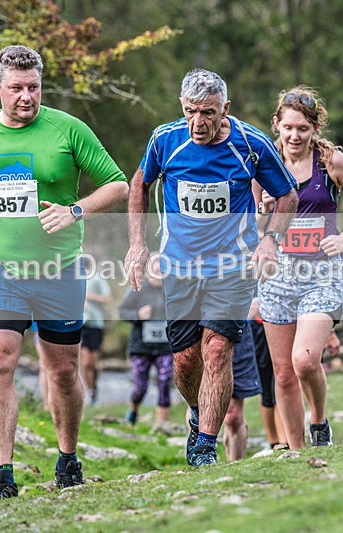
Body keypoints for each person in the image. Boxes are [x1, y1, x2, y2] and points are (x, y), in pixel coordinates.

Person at [0, 45, 128, 502]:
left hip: (58, 270)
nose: (27, 96)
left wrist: (75, 210)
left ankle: (67, 458)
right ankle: (2, 473)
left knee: (61, 369)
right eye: (17, 88)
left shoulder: (67, 128)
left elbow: (118, 184)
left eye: (34, 87)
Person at [124, 69, 298, 467]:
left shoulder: (250, 144)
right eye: (190, 112)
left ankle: (205, 446)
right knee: (185, 360)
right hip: (179, 267)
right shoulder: (164, 139)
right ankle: (200, 413)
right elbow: (139, 183)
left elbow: (287, 194)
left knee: (217, 351)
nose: (198, 123)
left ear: (226, 109)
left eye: (208, 113)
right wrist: (137, 244)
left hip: (232, 265)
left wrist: (271, 240)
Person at [255, 86, 343, 449]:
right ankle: (296, 452)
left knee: (305, 361)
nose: (295, 136)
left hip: (322, 274)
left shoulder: (332, 162)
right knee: (282, 373)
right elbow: (249, 219)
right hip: (277, 275)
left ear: (315, 129)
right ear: (276, 124)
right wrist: (261, 214)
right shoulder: (261, 163)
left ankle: (320, 423)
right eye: (288, 127)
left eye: (303, 129)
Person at [118, 255, 174, 426]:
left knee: (165, 382)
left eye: (162, 271)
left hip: (165, 346)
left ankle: (161, 425)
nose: (158, 274)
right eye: (155, 271)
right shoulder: (138, 288)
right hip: (140, 346)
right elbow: (122, 312)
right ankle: (133, 412)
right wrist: (138, 315)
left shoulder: (171, 289)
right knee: (140, 387)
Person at [247, 298, 286, 449]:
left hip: (281, 324)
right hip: (257, 328)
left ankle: (284, 442)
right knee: (267, 392)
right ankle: (274, 442)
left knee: (279, 384)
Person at [223, 319, 263, 460]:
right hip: (196, 327)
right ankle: (199, 469)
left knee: (233, 416)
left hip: (234, 326)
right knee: (198, 411)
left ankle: (234, 470)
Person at [81, 259, 112, 406]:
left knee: (93, 364)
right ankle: (89, 391)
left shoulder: (97, 278)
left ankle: (94, 388)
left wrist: (88, 296)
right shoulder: (74, 277)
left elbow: (107, 298)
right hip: (80, 324)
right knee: (86, 362)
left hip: (96, 324)